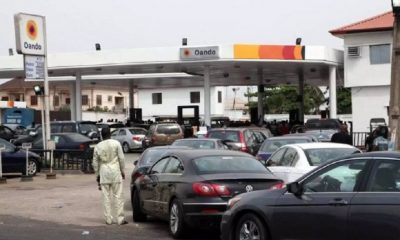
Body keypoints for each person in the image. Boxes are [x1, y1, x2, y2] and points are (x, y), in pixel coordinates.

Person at [92, 127, 127, 225]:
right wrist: (122, 171)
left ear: (102, 136)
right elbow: (121, 158)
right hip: (115, 171)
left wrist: (97, 175)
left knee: (106, 197)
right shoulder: (116, 143)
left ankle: (108, 219)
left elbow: (95, 163)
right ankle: (120, 219)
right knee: (118, 196)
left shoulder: (98, 146)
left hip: (104, 172)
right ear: (110, 134)